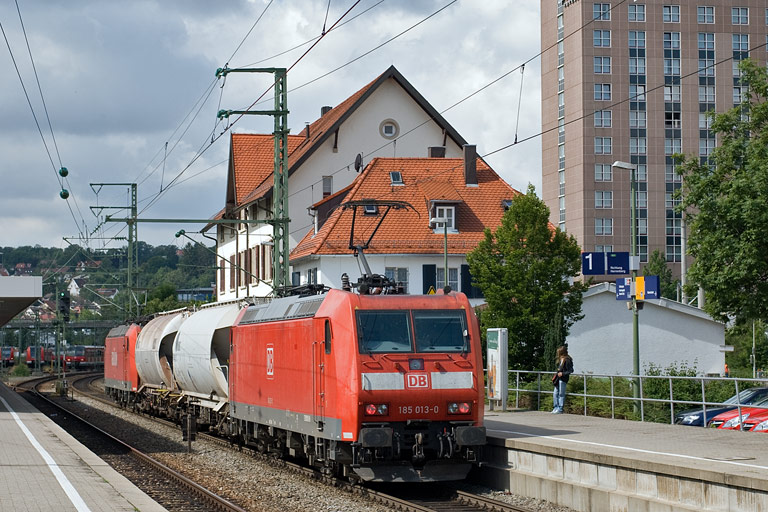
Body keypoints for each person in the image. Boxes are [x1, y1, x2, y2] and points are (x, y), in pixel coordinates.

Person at [552, 344, 574, 414]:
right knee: (555, 393)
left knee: (561, 394)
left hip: (563, 379)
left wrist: (563, 373)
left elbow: (570, 370)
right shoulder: (561, 360)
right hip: (558, 379)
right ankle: (555, 407)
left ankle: (560, 408)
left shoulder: (567, 360)